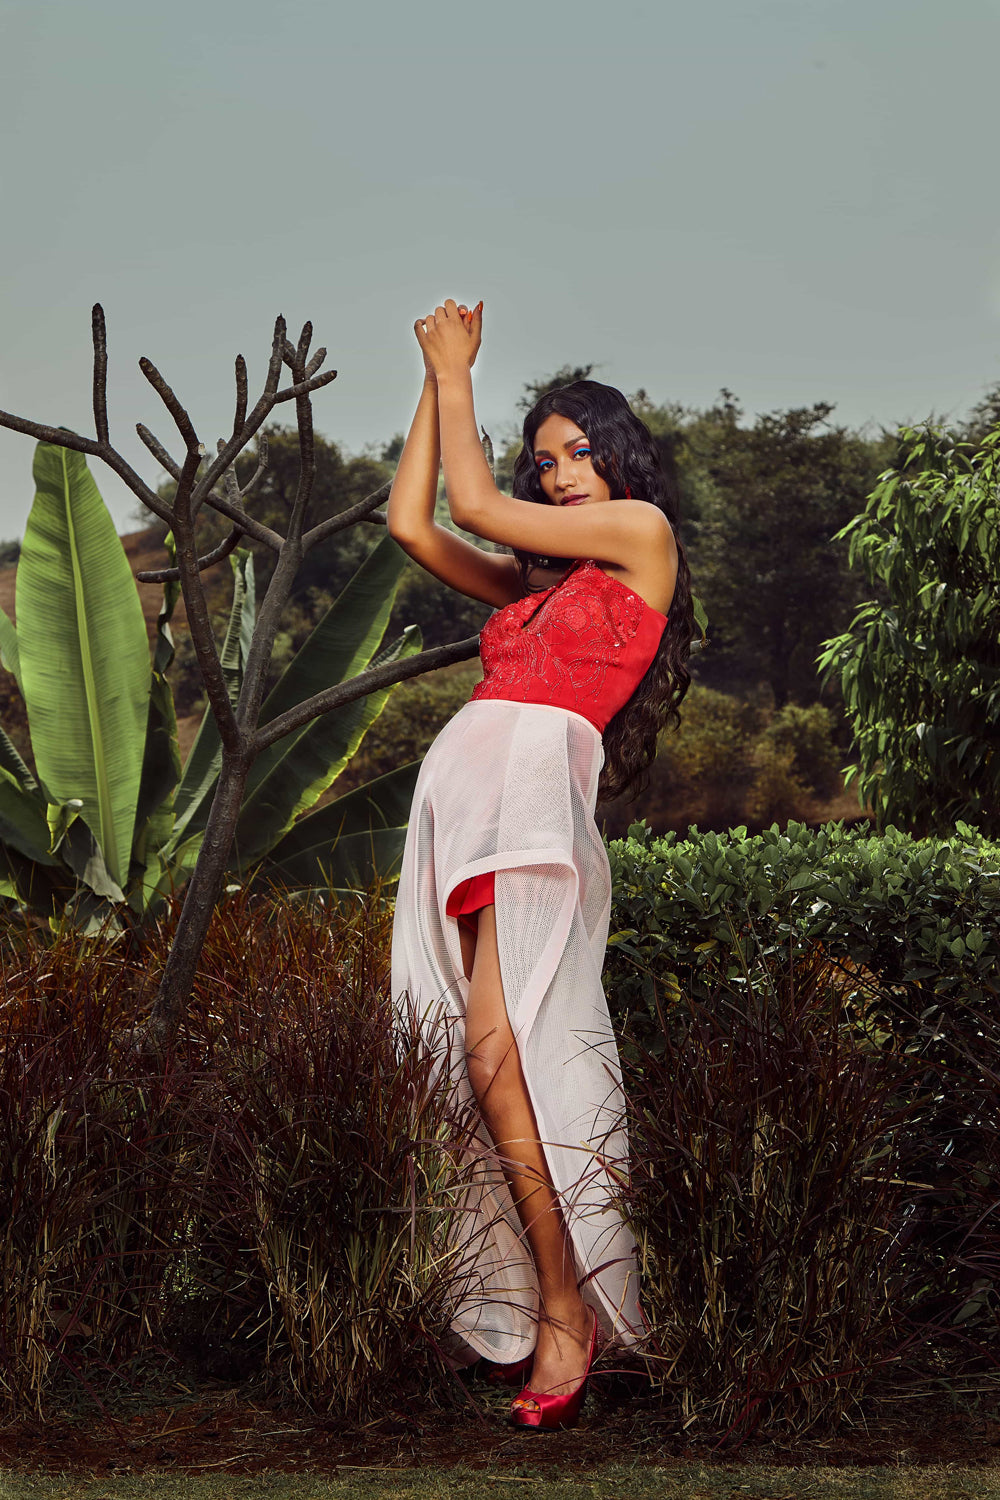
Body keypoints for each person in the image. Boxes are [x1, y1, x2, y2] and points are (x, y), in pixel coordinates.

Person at [387, 299, 693, 1430]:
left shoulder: (643, 535)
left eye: (577, 455)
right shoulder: (542, 593)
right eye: (542, 462)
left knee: (497, 1050)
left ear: (619, 461)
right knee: (479, 1056)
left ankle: (567, 1306)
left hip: (525, 800)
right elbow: (416, 528)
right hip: (466, 807)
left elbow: (471, 499)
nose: (558, 476)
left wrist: (462, 369)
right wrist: (433, 380)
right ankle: (550, 1296)